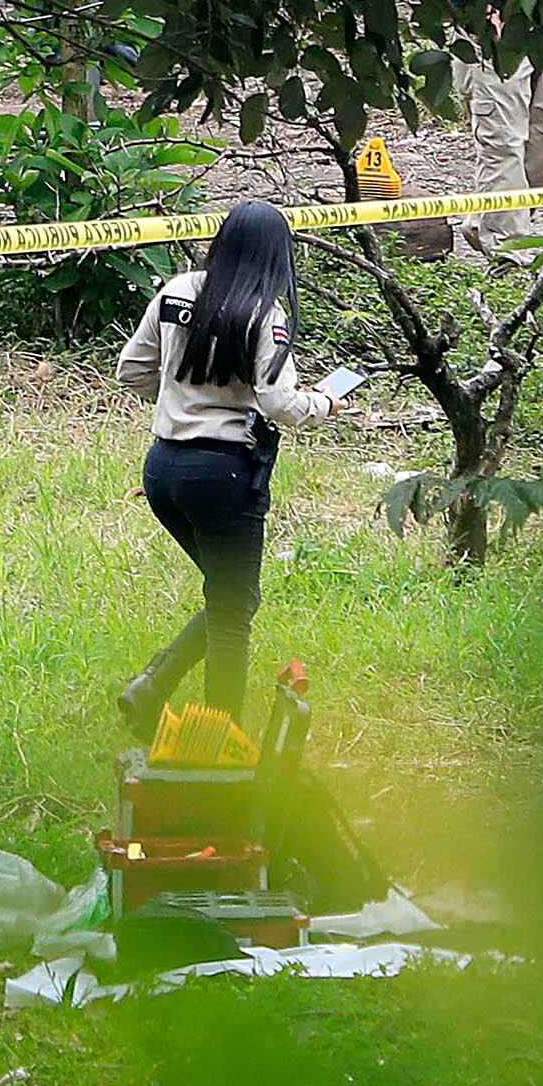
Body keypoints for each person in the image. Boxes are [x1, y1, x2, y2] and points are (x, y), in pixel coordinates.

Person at [116, 199, 335, 730]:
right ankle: (217, 738)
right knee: (234, 608)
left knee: (230, 594)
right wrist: (326, 402)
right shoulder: (265, 314)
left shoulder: (176, 292)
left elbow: (131, 370)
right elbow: (280, 402)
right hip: (224, 475)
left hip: (163, 469)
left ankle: (154, 686)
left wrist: (179, 401)